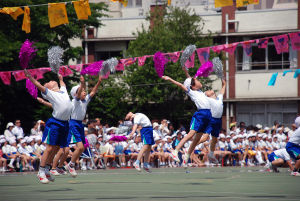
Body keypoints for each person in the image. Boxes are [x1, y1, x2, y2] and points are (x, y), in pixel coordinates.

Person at [25, 69, 73, 184]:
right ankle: (40, 171)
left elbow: (62, 83)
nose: (51, 80)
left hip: (65, 124)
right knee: (50, 148)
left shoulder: (63, 90)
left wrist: (61, 78)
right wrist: (31, 78)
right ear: (49, 88)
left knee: (56, 148)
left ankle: (47, 169)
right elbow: (39, 85)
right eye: (49, 82)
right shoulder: (51, 93)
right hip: (55, 123)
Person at [162, 68, 211, 167]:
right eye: (197, 81)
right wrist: (170, 79)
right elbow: (181, 85)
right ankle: (175, 151)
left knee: (198, 138)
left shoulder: (200, 91)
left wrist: (185, 70)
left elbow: (190, 78)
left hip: (208, 115)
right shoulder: (192, 92)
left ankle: (187, 155)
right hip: (200, 114)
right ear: (193, 86)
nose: (198, 80)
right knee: (191, 134)